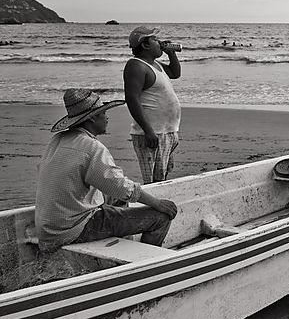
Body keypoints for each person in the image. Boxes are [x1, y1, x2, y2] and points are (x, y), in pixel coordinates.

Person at [35, 89, 178, 253]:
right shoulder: (92, 147)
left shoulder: (57, 140)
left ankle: (122, 246)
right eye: (103, 113)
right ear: (92, 118)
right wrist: (157, 203)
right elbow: (120, 187)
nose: (107, 117)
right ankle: (144, 258)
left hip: (49, 226)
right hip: (74, 228)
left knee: (116, 199)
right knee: (161, 218)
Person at [123, 26, 182, 184]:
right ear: (145, 45)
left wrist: (172, 54)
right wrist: (148, 130)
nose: (160, 42)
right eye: (154, 39)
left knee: (162, 175)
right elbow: (132, 99)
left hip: (167, 130)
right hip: (152, 132)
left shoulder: (155, 64)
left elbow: (175, 73)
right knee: (153, 181)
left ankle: (159, 198)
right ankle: (152, 200)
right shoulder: (136, 66)